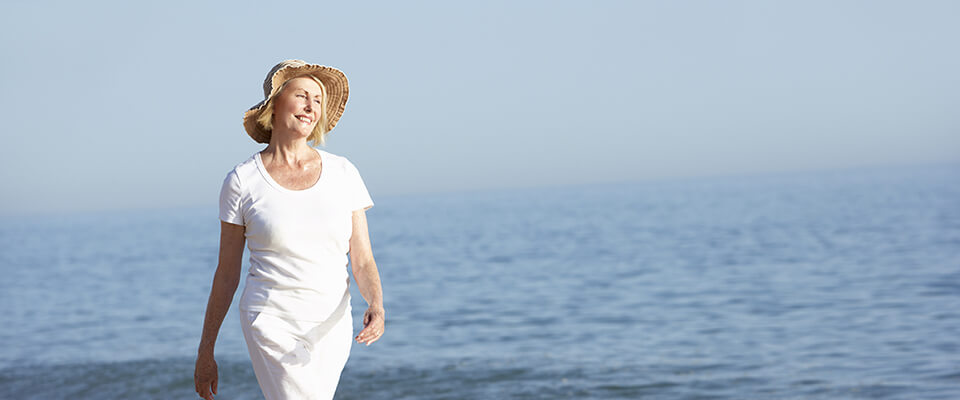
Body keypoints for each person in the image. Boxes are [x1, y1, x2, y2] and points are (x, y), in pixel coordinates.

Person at [194, 60, 385, 400]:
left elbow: (363, 260)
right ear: (275, 104)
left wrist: (376, 304)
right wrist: (205, 350)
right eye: (302, 95)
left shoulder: (344, 173)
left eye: (318, 99)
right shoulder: (242, 181)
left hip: (330, 322)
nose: (311, 106)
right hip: (270, 321)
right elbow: (226, 274)